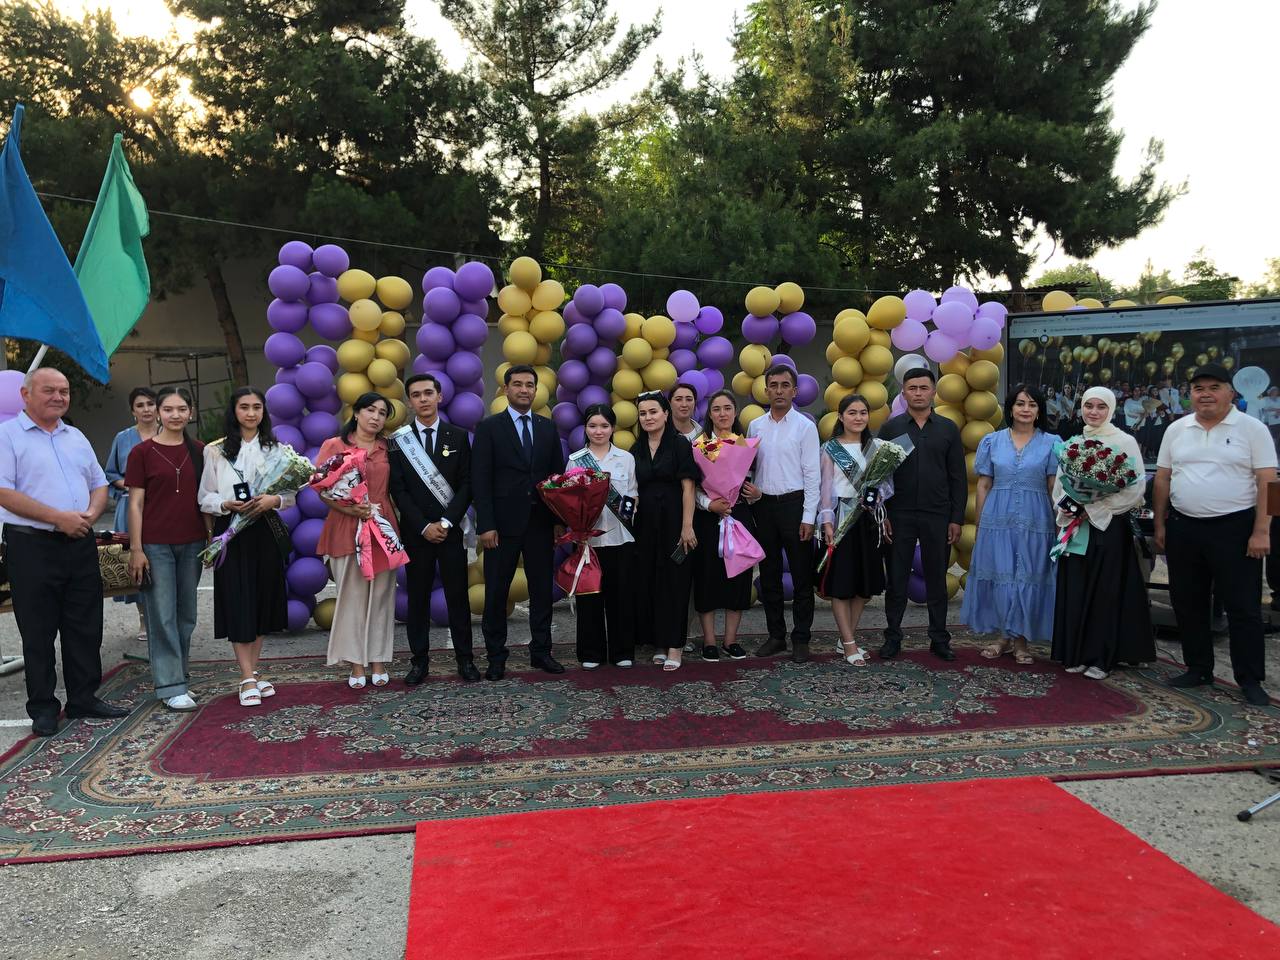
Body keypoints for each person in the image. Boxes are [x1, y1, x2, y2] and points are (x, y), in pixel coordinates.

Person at [0, 367, 127, 736]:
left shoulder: (75, 436)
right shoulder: (7, 436)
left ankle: (83, 697)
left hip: (79, 541)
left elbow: (99, 483)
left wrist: (89, 514)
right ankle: (43, 707)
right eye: (49, 390)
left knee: (84, 625)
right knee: (38, 631)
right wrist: (58, 519)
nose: (58, 397)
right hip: (32, 545)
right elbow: (4, 492)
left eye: (64, 391)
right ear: (26, 395)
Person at [1153, 363, 1275, 707]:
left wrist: (1262, 531)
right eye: (1198, 388)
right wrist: (1160, 525)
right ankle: (1198, 668)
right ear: (1190, 394)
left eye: (1214, 387)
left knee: (1243, 607)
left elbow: (1270, 481)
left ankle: (1249, 678)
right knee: (1187, 601)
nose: (1205, 394)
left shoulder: (1252, 429)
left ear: (1230, 393)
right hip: (1184, 527)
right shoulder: (1176, 429)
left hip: (1235, 529)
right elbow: (1162, 478)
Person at [1050, 386, 1154, 679]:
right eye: (1089, 406)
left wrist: (1094, 507)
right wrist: (1070, 507)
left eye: (1101, 407)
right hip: (1077, 527)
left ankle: (1100, 657)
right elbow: (1060, 485)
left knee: (1104, 592)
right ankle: (1075, 652)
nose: (1093, 412)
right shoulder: (1074, 443)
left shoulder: (1124, 441)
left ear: (1111, 410)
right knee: (1076, 587)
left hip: (1108, 526)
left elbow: (1135, 488)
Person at [472, 364, 566, 680]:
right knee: (496, 592)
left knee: (541, 591)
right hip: (501, 526)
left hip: (540, 524)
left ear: (536, 390)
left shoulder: (547, 428)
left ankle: (541, 652)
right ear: (505, 389)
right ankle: (496, 657)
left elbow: (556, 478)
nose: (524, 390)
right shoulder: (489, 428)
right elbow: (480, 479)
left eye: (529, 385)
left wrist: (558, 520)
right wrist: (486, 524)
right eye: (518, 384)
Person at [198, 387, 292, 706]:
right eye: (244, 407)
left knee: (262, 599)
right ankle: (246, 677)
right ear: (234, 411)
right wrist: (225, 504)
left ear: (264, 411)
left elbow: (290, 495)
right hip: (232, 530)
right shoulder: (215, 450)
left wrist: (273, 500)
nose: (251, 413)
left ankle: (253, 670)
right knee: (238, 599)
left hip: (265, 529)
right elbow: (205, 496)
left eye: (257, 407)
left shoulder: (277, 450)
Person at [388, 374, 476, 683]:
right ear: (409, 401)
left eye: (428, 393)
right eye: (416, 395)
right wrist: (424, 525)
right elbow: (398, 490)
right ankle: (419, 662)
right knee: (418, 599)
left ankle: (465, 660)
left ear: (439, 396)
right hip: (417, 533)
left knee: (458, 597)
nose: (423, 399)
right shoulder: (398, 441)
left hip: (450, 531)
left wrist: (447, 521)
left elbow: (467, 483)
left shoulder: (458, 436)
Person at [962, 386, 1058, 664]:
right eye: (1020, 403)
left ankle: (1022, 641)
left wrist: (1060, 524)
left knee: (1027, 576)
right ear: (1011, 408)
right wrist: (980, 523)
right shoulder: (992, 441)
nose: (1026, 409)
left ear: (1039, 411)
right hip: (997, 519)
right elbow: (983, 485)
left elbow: (1053, 487)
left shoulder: (1052, 443)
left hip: (1036, 519)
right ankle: (1003, 637)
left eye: (1032, 404)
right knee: (1001, 575)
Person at [125, 387, 207, 712]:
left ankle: (179, 677)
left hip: (193, 542)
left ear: (191, 412)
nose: (175, 415)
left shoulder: (200, 451)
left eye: (182, 409)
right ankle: (170, 686)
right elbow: (135, 504)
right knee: (162, 615)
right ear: (159, 413)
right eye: (168, 409)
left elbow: (207, 499)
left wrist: (212, 539)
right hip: (155, 544)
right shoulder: (141, 453)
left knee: (186, 614)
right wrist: (136, 548)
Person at [877, 368, 966, 661]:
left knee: (936, 578)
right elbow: (880, 477)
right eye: (912, 388)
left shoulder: (948, 429)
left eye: (923, 388)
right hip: (898, 514)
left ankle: (939, 638)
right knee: (896, 579)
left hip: (937, 514)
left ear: (933, 392)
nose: (918, 393)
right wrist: (883, 515)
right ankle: (893, 637)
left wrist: (956, 518)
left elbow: (958, 477)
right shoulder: (891, 429)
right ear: (903, 392)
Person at [314, 393, 402, 689]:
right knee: (352, 597)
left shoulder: (389, 447)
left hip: (382, 526)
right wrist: (350, 508)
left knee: (381, 596)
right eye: (370, 410)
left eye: (382, 413)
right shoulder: (334, 445)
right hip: (345, 526)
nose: (376, 417)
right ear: (356, 413)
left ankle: (378, 660)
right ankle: (355, 663)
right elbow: (322, 488)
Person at [746, 365, 821, 662]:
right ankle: (776, 636)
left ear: (794, 391)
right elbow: (748, 467)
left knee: (802, 576)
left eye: (785, 385)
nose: (779, 390)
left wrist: (808, 517)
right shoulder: (755, 427)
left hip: (795, 506)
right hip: (764, 506)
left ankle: (801, 638)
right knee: (769, 575)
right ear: (766, 391)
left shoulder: (805, 427)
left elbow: (812, 475)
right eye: (774, 385)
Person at [817, 393, 890, 666]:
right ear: (840, 416)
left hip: (868, 519)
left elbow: (885, 485)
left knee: (864, 586)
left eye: (863, 413)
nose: (858, 418)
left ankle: (844, 639)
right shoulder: (831, 448)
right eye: (852, 413)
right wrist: (826, 520)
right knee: (841, 584)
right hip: (841, 518)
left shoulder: (876, 447)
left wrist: (877, 498)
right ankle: (849, 643)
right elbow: (825, 488)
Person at [631, 391, 699, 669]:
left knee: (676, 583)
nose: (648, 417)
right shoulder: (636, 448)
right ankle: (659, 641)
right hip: (645, 526)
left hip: (675, 523)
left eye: (653, 412)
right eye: (643, 413)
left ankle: (675, 646)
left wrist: (687, 526)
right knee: (651, 582)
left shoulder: (680, 444)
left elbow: (688, 488)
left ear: (665, 414)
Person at [691, 389, 760, 660]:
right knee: (706, 577)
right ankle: (709, 640)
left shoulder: (746, 446)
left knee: (739, 578)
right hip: (708, 518)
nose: (722, 414)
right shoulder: (701, 446)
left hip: (738, 516)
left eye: (727, 408)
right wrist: (710, 504)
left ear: (735, 411)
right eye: (716, 409)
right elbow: (693, 488)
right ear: (710, 414)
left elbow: (756, 483)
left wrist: (757, 495)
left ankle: (731, 640)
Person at [567, 404, 637, 668]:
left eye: (604, 426)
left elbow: (633, 495)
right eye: (593, 426)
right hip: (589, 542)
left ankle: (622, 651)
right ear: (585, 428)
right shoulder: (576, 460)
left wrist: (626, 510)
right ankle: (590, 653)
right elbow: (568, 499)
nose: (599, 431)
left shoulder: (626, 458)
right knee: (590, 597)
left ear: (613, 428)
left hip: (620, 538)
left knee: (621, 597)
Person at [104, 386, 158, 641]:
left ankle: (163, 616)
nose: (146, 409)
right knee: (135, 563)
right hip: (130, 506)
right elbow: (110, 473)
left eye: (150, 404)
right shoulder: (123, 438)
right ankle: (144, 618)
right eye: (140, 405)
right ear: (132, 410)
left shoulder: (169, 432)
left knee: (161, 561)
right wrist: (132, 486)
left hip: (163, 506)